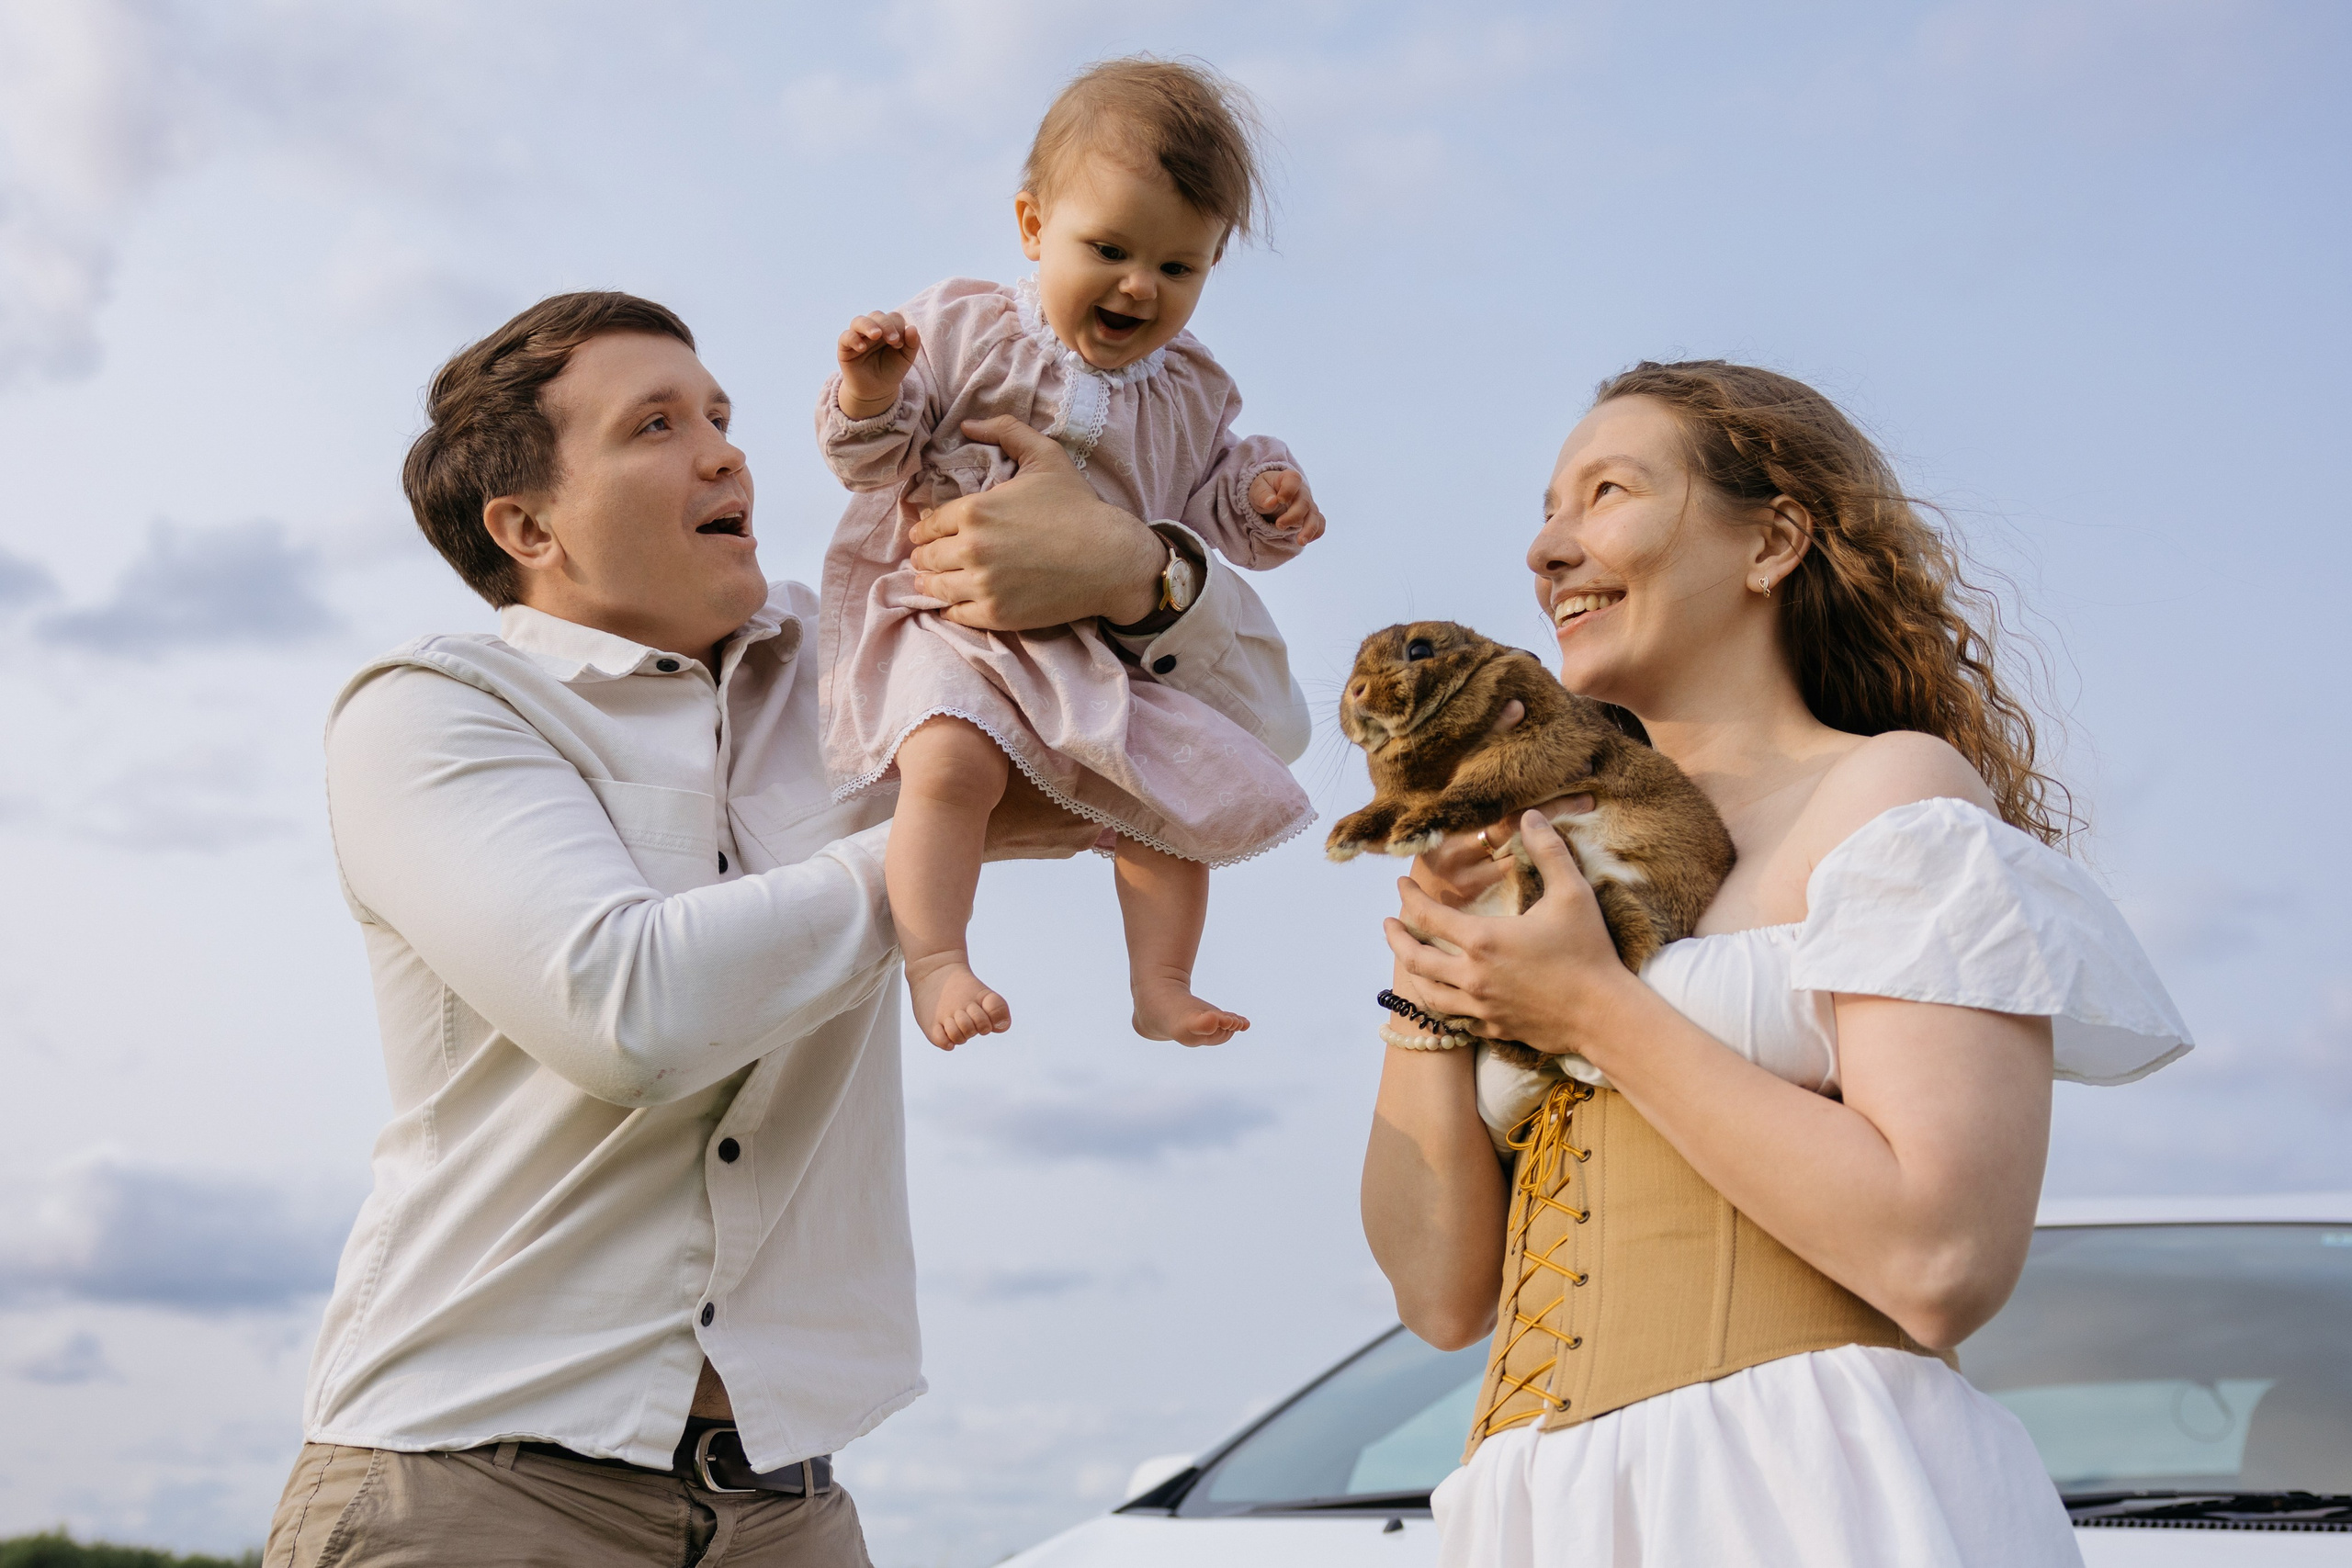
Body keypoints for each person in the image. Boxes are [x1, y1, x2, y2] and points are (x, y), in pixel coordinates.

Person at [261, 290, 1309, 1567]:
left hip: (789, 1508)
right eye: (655, 425)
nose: (724, 451)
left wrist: (1138, 573)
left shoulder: (860, 655)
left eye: (719, 415)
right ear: (527, 524)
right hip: (469, 1490)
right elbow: (627, 1012)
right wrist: (944, 835)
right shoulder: (433, 712)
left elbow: (1244, 744)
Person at [1363, 361, 2192, 1567]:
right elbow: (1440, 1298)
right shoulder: (1548, 867)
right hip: (1542, 1515)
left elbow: (1942, 1256)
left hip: (1799, 1489)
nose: (1548, 547)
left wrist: (1592, 1007)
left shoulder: (1888, 794)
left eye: (1607, 491)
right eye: (1546, 510)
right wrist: (1433, 993)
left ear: (1774, 541)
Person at [818, 56, 1323, 1052]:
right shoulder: (962, 329)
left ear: (1211, 266)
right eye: (1109, 248)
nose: (1141, 285)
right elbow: (871, 460)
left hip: (1097, 651)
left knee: (1169, 801)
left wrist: (1264, 501)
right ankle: (935, 959)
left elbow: (1209, 509)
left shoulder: (1191, 391)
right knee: (949, 765)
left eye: (1178, 267)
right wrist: (872, 392)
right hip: (949, 623)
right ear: (1033, 228)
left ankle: (1163, 983)